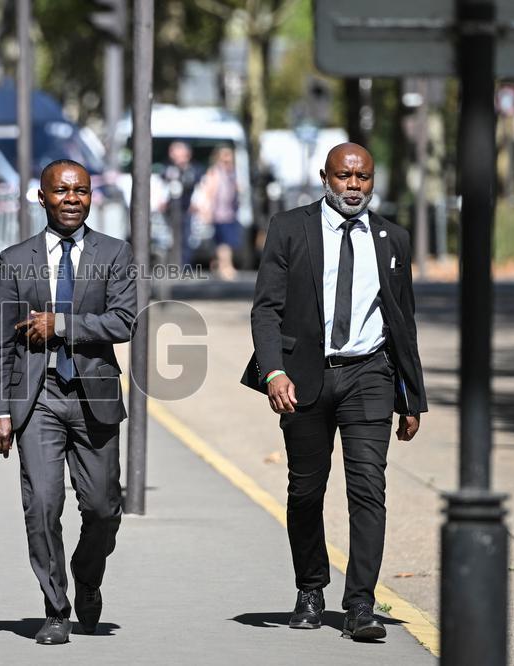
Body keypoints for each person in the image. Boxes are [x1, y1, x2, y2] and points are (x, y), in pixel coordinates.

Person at [243, 143, 426, 640]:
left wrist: (410, 397)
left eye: (363, 177)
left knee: (369, 489)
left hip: (370, 375)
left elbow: (402, 323)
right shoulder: (289, 227)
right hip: (303, 378)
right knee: (306, 489)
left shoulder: (392, 239)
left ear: (372, 181)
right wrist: (273, 372)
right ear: (326, 178)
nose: (354, 186)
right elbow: (266, 309)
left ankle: (361, 604)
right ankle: (309, 588)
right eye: (345, 176)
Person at [0, 159, 137, 645]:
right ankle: (55, 607)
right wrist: (1, 409)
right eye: (62, 191)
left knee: (101, 509)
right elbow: (1, 343)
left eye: (82, 191)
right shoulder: (16, 258)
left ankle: (87, 574)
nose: (72, 199)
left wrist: (63, 326)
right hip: (40, 398)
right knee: (42, 505)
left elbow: (124, 322)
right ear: (41, 196)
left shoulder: (114, 253)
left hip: (94, 396)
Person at [192, 145, 241, 279]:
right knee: (224, 243)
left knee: (226, 242)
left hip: (229, 213)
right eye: (225, 155)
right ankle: (226, 267)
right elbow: (209, 193)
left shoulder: (231, 172)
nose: (228, 159)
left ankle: (219, 265)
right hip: (219, 213)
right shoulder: (215, 172)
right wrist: (207, 211)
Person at [160, 141, 202, 266]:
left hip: (187, 208)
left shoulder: (194, 169)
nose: (173, 154)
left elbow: (200, 187)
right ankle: (172, 263)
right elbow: (162, 186)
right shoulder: (167, 168)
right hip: (171, 209)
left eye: (177, 151)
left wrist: (196, 203)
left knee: (186, 237)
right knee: (169, 238)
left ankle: (184, 265)